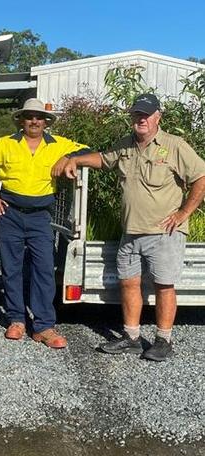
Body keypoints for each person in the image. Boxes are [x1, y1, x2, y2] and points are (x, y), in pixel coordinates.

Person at [53, 93, 205, 361]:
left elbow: (200, 177)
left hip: (164, 233)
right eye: (137, 114)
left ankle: (163, 340)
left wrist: (183, 213)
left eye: (146, 114)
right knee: (129, 284)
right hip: (130, 233)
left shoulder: (174, 145)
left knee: (164, 285)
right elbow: (102, 159)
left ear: (158, 117)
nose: (141, 119)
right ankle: (131, 338)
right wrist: (74, 159)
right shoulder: (125, 145)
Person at [0, 98, 89, 349]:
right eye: (29, 117)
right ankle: (16, 320)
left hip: (40, 216)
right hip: (9, 213)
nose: (34, 121)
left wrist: (68, 158)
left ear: (46, 122)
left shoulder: (58, 145)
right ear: (21, 120)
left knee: (44, 269)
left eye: (39, 117)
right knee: (11, 268)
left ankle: (44, 326)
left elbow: (88, 150)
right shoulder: (5, 144)